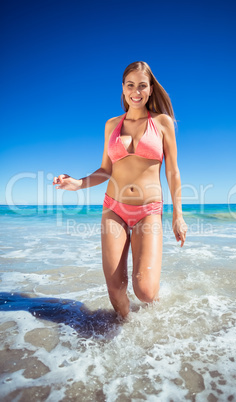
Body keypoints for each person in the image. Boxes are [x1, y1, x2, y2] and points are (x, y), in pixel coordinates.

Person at [53, 61, 187, 318]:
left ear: (150, 89)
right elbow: (105, 170)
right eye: (130, 85)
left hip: (149, 210)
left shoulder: (162, 122)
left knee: (145, 291)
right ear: (123, 89)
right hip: (114, 207)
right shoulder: (111, 125)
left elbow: (173, 171)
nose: (136, 91)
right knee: (115, 289)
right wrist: (78, 183)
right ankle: (126, 331)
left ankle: (157, 324)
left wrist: (177, 216)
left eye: (142, 86)